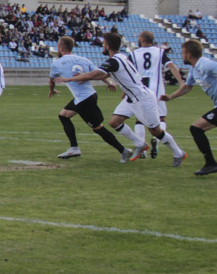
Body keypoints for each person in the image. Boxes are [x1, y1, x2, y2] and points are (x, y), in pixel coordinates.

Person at [56, 31, 186, 167]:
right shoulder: (121, 57)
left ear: (107, 46)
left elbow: (96, 74)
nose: (102, 46)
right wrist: (84, 75)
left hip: (143, 98)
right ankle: (140, 144)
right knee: (114, 122)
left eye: (103, 44)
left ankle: (178, 153)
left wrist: (70, 78)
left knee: (155, 131)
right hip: (132, 97)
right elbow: (101, 75)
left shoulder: (114, 61)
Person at [48, 36, 131, 161]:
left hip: (84, 100)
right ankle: (74, 148)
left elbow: (51, 81)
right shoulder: (83, 59)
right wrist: (109, 82)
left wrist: (52, 90)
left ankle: (123, 151)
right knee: (64, 116)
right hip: (88, 96)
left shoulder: (57, 63)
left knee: (98, 128)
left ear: (60, 48)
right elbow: (99, 72)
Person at [163, 40, 217, 176]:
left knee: (196, 128)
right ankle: (210, 163)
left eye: (183, 53)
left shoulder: (206, 65)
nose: (182, 56)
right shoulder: (194, 69)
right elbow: (187, 87)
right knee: (196, 129)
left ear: (189, 54)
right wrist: (170, 97)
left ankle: (210, 164)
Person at [130, 31, 182, 159]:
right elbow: (171, 66)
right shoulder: (160, 52)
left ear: (142, 39)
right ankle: (156, 140)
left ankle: (142, 147)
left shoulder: (133, 54)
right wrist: (181, 82)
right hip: (157, 89)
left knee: (140, 119)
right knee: (161, 118)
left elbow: (128, 72)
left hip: (140, 89)